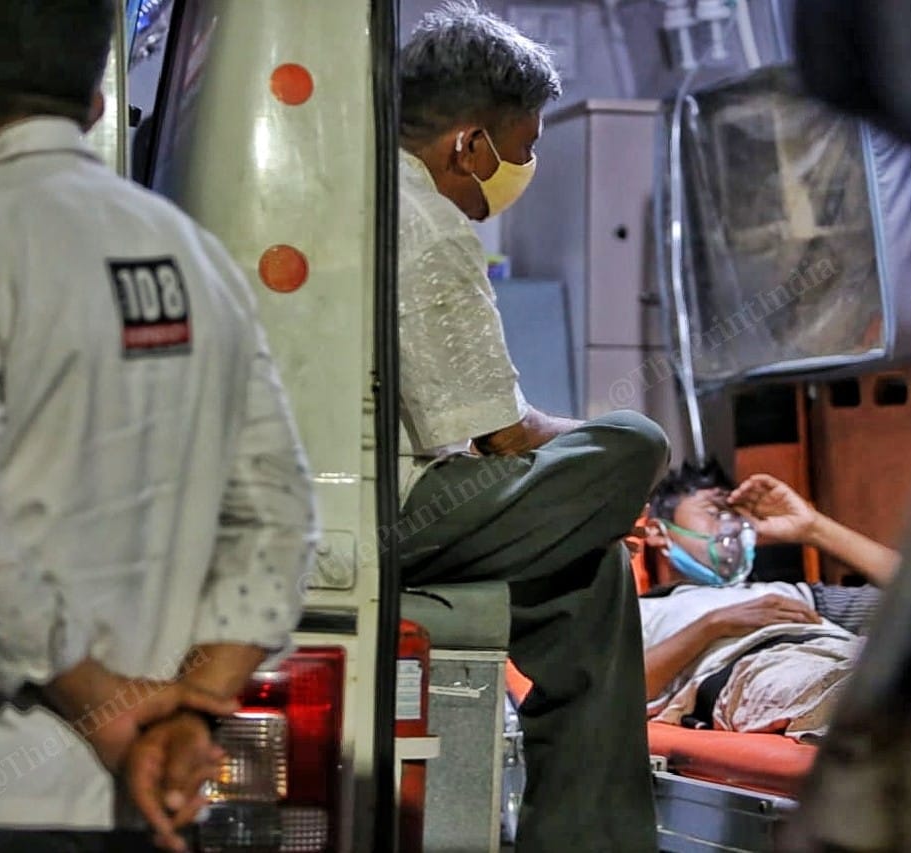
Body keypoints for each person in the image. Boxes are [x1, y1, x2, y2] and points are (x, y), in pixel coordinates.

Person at [0, 2, 317, 851]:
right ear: (98, 103)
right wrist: (190, 711)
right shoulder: (193, 255)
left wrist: (109, 710)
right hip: (149, 798)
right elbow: (281, 513)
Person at [394, 4, 669, 850]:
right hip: (404, 512)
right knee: (637, 442)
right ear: (470, 146)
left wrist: (581, 511)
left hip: (398, 496)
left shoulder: (375, 201)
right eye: (526, 144)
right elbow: (504, 439)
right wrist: (598, 460)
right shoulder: (431, 229)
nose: (528, 165)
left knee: (592, 581)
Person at [636, 462, 899, 737]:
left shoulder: (782, 594)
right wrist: (714, 625)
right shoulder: (641, 610)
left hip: (849, 651)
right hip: (760, 671)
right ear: (655, 531)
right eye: (716, 513)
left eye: (737, 517)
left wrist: (814, 528)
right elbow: (622, 688)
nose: (733, 527)